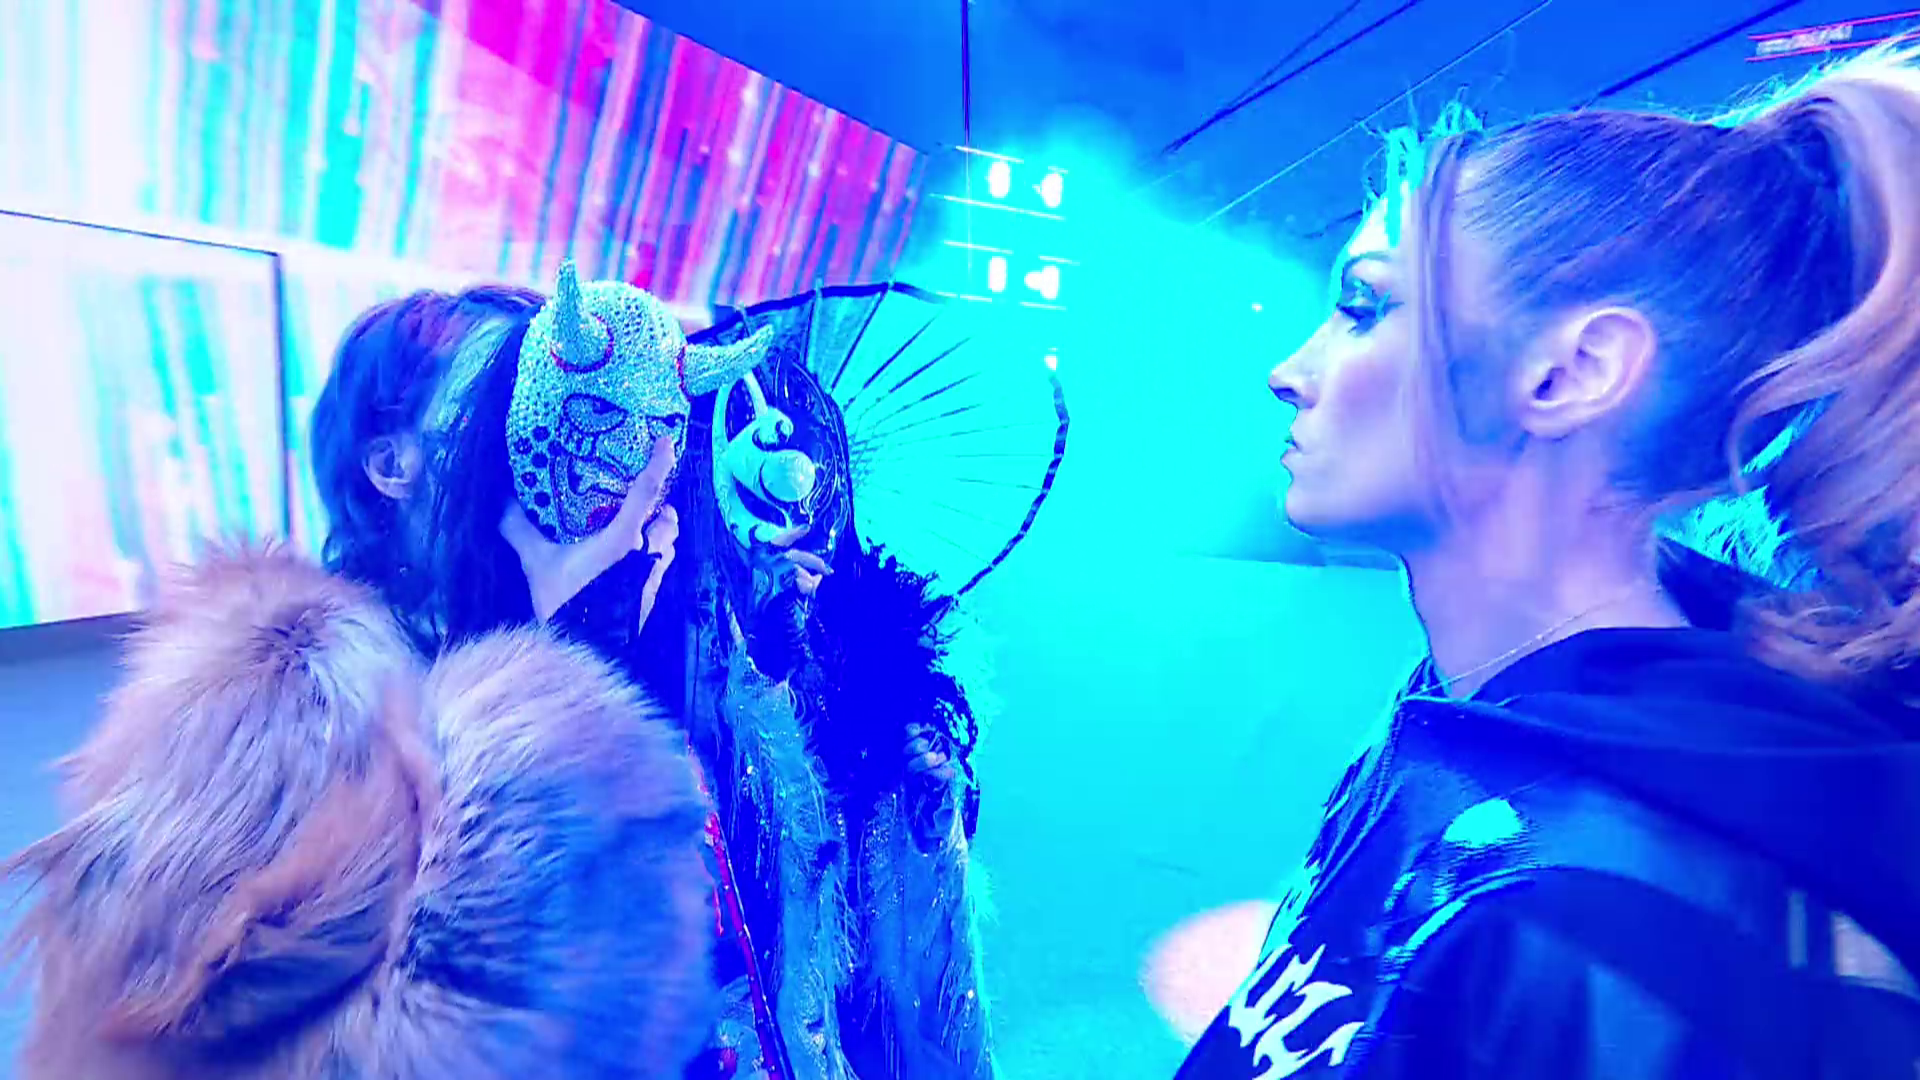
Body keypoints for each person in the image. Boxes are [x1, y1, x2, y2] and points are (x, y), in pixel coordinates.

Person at [1176, 46, 1920, 1079]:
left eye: (1364, 306)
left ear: (1571, 374)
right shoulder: (1473, 708)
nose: (1288, 371)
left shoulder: (1619, 917)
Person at [1, 285, 717, 1079]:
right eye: (495, 408)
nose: (529, 452)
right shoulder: (277, 696)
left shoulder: (531, 627)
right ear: (391, 464)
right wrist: (546, 685)